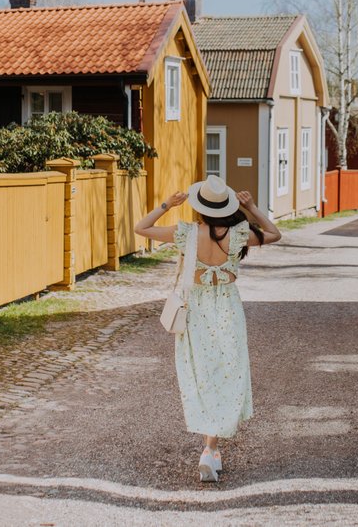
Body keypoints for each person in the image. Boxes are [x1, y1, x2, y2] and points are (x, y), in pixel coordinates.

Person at [135, 174, 282, 482]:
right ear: (225, 207)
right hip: (227, 305)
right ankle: (210, 449)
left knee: (201, 374)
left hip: (197, 309)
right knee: (227, 372)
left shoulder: (186, 233)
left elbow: (141, 228)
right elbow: (274, 233)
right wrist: (252, 208)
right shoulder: (239, 234)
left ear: (199, 207)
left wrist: (167, 204)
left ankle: (210, 449)